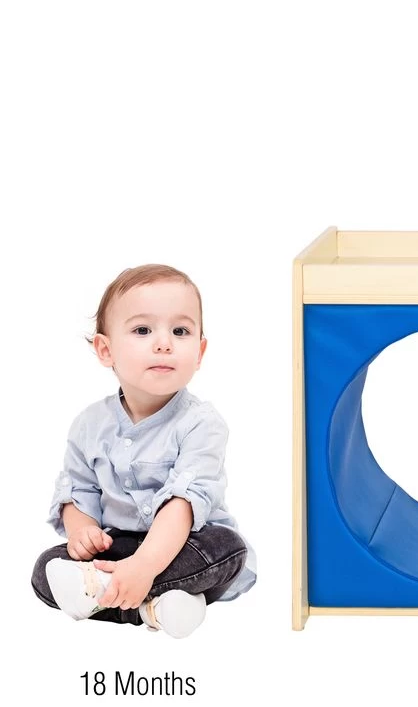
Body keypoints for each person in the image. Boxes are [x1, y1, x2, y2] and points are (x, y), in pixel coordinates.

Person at [31, 264, 256, 638]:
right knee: (45, 569)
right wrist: (83, 531)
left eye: (180, 331)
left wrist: (145, 566)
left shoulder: (201, 423)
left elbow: (183, 503)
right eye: (142, 330)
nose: (164, 343)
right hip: (118, 544)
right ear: (106, 350)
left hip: (184, 546)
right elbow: (77, 490)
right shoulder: (89, 424)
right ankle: (154, 609)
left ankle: (109, 591)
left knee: (228, 548)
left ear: (199, 351)